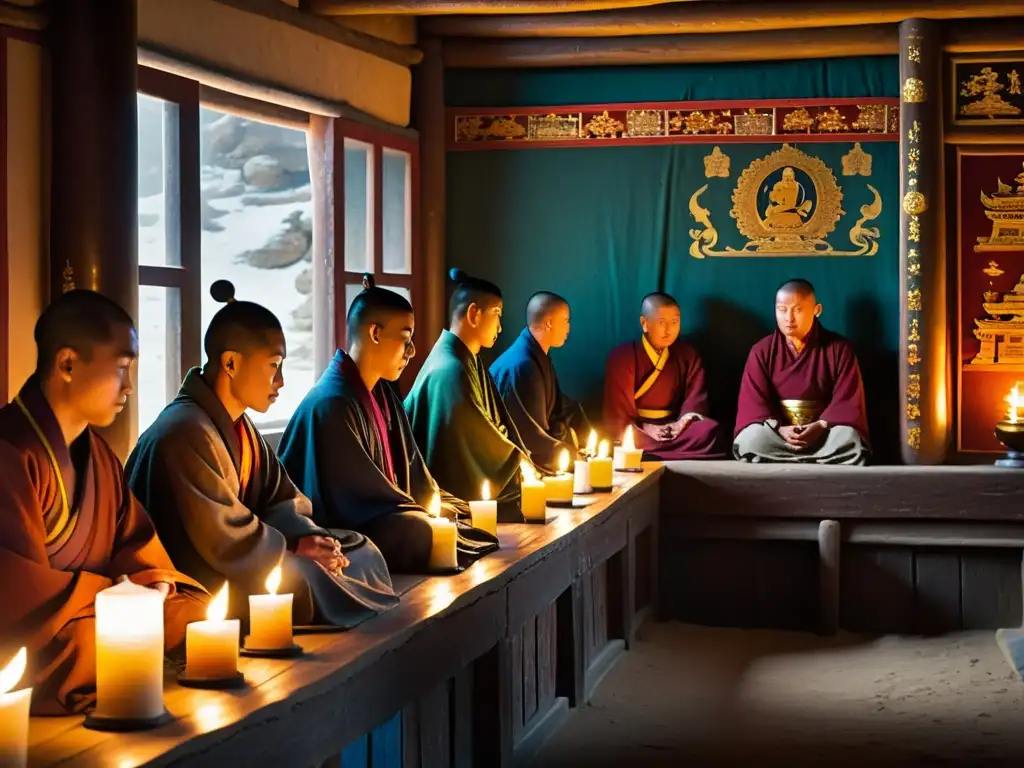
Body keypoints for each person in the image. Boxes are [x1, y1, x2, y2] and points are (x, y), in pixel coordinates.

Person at [126, 281, 397, 632]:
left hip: (251, 554)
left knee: (360, 548)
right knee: (301, 577)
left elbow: (280, 498)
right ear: (231, 363)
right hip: (202, 573)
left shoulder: (241, 426)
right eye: (274, 365)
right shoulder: (184, 431)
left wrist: (311, 538)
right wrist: (295, 547)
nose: (281, 381)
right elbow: (223, 536)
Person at [0, 290, 208, 715]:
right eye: (121, 368)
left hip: (98, 611)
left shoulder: (97, 454)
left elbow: (133, 539)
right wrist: (112, 597)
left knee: (195, 614)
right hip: (39, 632)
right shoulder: (9, 449)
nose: (129, 387)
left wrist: (153, 584)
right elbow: (16, 591)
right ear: (68, 364)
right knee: (84, 647)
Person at [280, 276, 498, 573]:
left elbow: (412, 472)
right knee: (418, 530)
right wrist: (415, 511)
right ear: (375, 333)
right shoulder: (332, 402)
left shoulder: (383, 394)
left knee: (453, 511)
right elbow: (354, 499)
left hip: (384, 511)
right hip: (346, 524)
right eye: (406, 339)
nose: (412, 351)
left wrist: (429, 502)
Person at [404, 268, 533, 522]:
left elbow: (492, 423)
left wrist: (517, 456)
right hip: (446, 494)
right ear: (474, 314)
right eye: (496, 315)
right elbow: (471, 437)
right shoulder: (449, 369)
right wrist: (517, 461)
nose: (500, 326)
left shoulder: (466, 359)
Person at [733, 279, 870, 465]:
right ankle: (818, 459)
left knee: (848, 437)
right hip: (780, 435)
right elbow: (754, 401)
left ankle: (786, 457)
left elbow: (847, 400)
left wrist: (820, 425)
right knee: (750, 439)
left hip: (823, 433)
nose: (789, 318)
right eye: (782, 309)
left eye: (797, 310)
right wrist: (779, 428)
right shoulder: (762, 351)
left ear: (817, 310)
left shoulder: (839, 349)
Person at [602, 292, 724, 460]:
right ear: (644, 323)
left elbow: (695, 398)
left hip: (675, 427)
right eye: (661, 322)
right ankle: (662, 451)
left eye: (674, 322)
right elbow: (617, 414)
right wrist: (647, 427)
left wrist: (681, 424)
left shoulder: (688, 355)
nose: (669, 330)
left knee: (711, 432)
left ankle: (651, 453)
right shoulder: (622, 357)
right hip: (639, 429)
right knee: (623, 437)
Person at [490, 292, 592, 473]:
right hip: (515, 467)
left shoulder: (538, 355)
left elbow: (560, 406)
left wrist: (583, 435)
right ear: (549, 323)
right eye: (566, 320)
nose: (569, 327)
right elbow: (530, 436)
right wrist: (572, 455)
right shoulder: (522, 365)